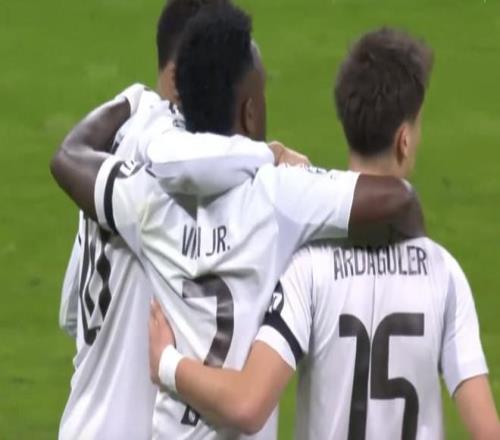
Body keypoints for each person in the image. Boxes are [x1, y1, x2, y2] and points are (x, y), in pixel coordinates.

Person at [51, 5, 425, 439]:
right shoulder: (279, 195)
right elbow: (398, 202)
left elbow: (67, 159)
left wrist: (132, 101)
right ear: (249, 112)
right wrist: (271, 160)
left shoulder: (142, 189)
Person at [149, 28, 500, 440]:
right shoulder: (444, 274)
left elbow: (248, 403)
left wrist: (167, 362)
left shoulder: (307, 269)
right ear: (404, 141)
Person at [55, 1, 279, 439]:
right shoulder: (175, 162)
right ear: (183, 75)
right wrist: (272, 157)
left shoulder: (114, 153)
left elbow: (70, 314)